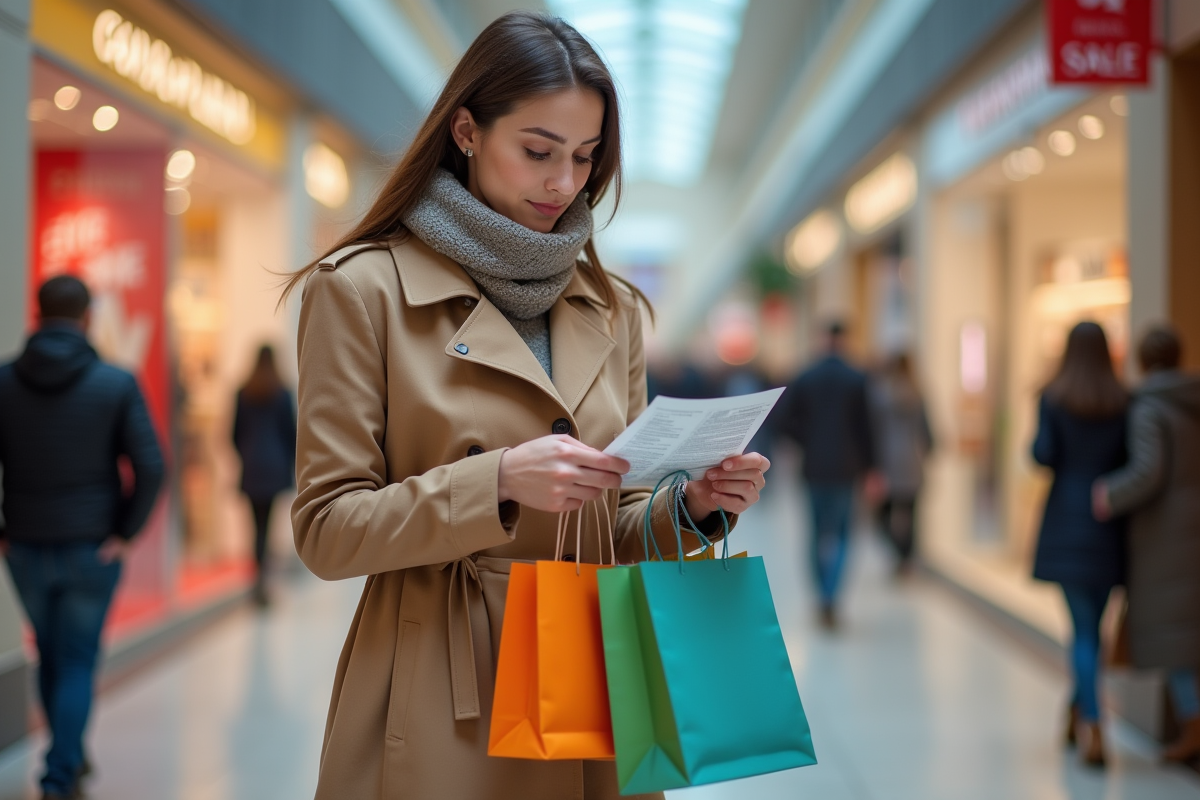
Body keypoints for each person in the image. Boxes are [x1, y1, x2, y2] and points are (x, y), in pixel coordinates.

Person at [281, 12, 771, 799]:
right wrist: (498, 482)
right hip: (445, 688)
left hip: (592, 675)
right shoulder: (361, 289)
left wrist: (691, 507)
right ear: (467, 131)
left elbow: (611, 519)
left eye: (585, 158)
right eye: (538, 152)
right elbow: (327, 530)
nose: (563, 184)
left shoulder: (613, 309)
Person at [0, 275, 164, 800]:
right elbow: (152, 465)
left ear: (38, 312)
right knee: (75, 660)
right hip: (92, 546)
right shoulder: (115, 382)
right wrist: (124, 532)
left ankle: (66, 755)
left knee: (50, 656)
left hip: (24, 545)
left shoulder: (4, 381)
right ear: (88, 316)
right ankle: (59, 775)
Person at [1094, 324, 1200, 765]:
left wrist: (1108, 494)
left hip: (1166, 538)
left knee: (1177, 640)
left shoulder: (1149, 408)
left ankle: (1193, 728)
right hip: (1191, 530)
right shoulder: (1191, 400)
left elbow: (1148, 471)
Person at [1030, 321, 1129, 767]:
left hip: (1065, 520)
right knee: (1096, 630)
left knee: (1082, 630)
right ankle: (1081, 713)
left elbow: (1042, 455)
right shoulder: (1124, 400)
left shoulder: (1054, 398)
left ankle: (1092, 722)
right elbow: (1131, 459)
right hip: (1109, 522)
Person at [776, 321, 876, 629]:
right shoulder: (857, 378)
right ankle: (833, 595)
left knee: (816, 533)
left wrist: (806, 440)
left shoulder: (806, 376)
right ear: (845, 339)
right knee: (844, 534)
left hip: (814, 467)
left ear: (822, 339)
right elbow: (867, 429)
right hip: (848, 469)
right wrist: (872, 467)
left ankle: (821, 595)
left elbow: (782, 421)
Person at [232, 345, 296, 606]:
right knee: (267, 528)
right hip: (275, 467)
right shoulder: (282, 393)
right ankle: (264, 585)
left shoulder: (243, 392)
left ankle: (257, 582)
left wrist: (245, 455)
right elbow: (291, 433)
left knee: (254, 529)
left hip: (251, 467)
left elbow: (233, 433)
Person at [869, 353, 933, 574]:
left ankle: (898, 551)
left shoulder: (880, 395)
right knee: (911, 513)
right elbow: (927, 431)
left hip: (887, 461)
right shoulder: (918, 395)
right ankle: (906, 557)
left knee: (881, 514)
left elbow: (874, 431)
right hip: (913, 461)